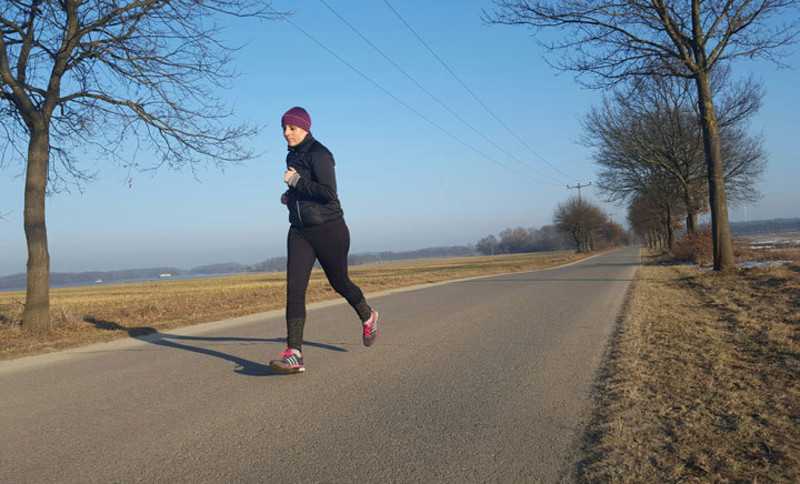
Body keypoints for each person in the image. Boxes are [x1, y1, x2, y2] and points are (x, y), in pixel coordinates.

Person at [269, 106, 379, 374]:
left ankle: (368, 315)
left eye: (291, 128)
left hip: (329, 229)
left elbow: (328, 193)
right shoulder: (293, 155)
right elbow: (304, 190)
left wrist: (294, 182)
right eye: (284, 128)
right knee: (295, 289)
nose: (286, 133)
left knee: (339, 282)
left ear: (305, 127)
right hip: (299, 231)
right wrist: (289, 197)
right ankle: (294, 353)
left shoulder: (321, 154)